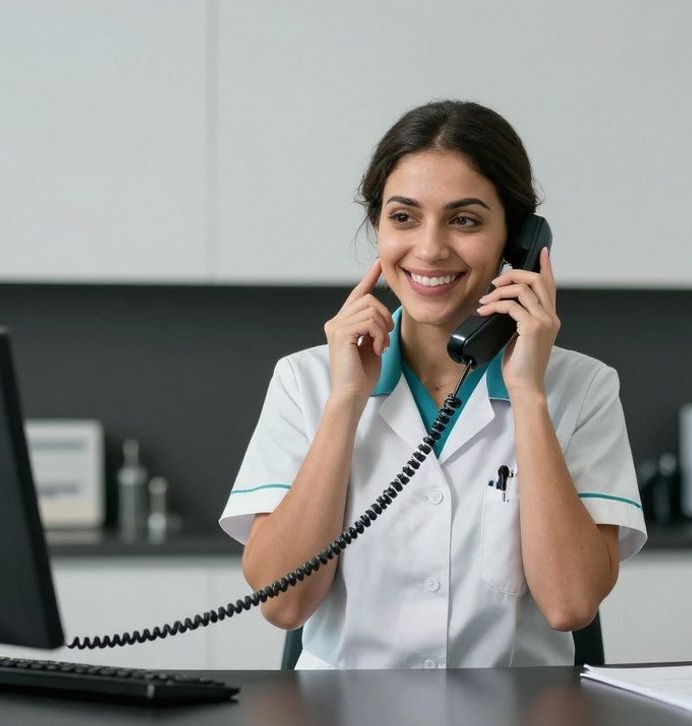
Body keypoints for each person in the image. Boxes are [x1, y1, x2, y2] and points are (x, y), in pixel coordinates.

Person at [220, 100, 646, 669]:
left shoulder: (582, 387)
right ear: (378, 226)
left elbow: (570, 605)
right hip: (342, 718)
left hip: (514, 719)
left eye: (464, 220)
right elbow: (284, 604)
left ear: (517, 241)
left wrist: (527, 394)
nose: (429, 249)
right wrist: (345, 401)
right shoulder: (306, 380)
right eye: (403, 217)